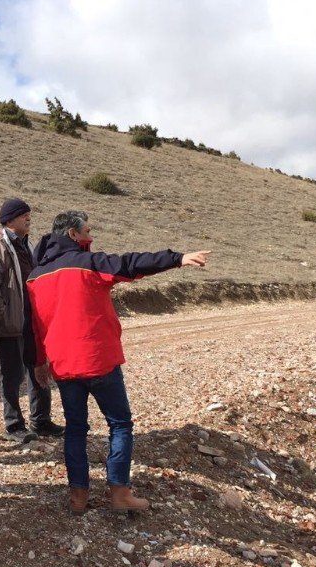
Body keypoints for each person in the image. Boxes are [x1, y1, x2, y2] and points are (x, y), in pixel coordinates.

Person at [27, 210, 210, 514]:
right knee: (120, 424)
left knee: (75, 429)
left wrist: (37, 361)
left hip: (63, 364)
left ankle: (78, 497)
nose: (91, 236)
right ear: (73, 235)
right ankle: (120, 493)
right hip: (99, 359)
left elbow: (33, 326)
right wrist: (177, 258)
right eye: (87, 231)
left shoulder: (35, 276)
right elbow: (130, 263)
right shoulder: (89, 263)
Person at [0, 198, 60, 443]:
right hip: (10, 324)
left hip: (29, 321)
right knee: (12, 376)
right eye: (24, 214)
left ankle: (41, 420)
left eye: (29, 214)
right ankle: (14, 425)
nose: (29, 218)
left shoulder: (26, 245)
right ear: (10, 219)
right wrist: (4, 317)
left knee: (38, 367)